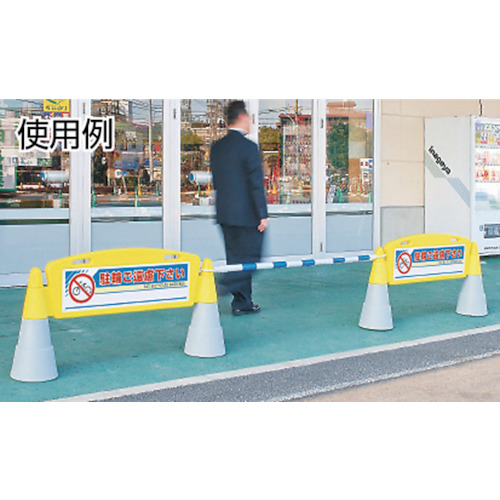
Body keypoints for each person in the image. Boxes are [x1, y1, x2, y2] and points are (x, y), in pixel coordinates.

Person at [210, 100, 269, 315]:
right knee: (253, 257)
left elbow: (218, 181)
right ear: (242, 118)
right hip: (247, 214)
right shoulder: (249, 147)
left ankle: (242, 303)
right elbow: (255, 184)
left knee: (235, 259)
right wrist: (262, 214)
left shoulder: (217, 148)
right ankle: (225, 285)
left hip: (225, 213)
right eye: (250, 118)